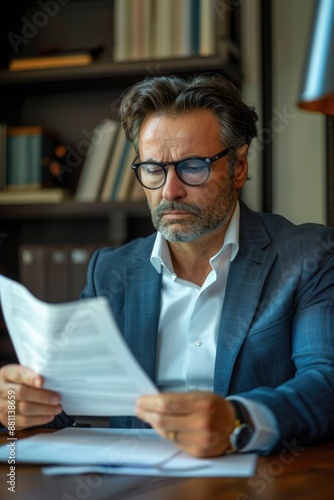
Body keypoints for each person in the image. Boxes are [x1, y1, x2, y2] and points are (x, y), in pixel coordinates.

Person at [1, 74, 334, 458]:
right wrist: (17, 406)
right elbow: (64, 400)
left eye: (193, 166)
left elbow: (325, 383)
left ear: (239, 166)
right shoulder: (110, 272)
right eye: (154, 169)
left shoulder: (309, 256)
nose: (169, 190)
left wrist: (238, 420)